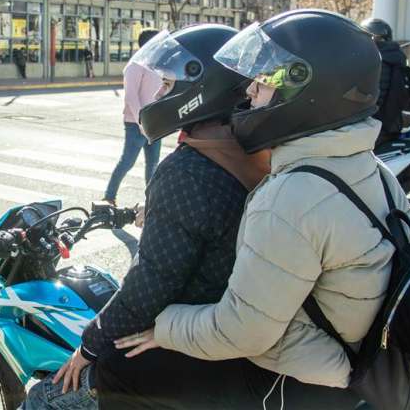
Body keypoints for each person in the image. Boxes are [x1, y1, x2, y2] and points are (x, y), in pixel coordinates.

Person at [99, 10, 410, 409]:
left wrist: (161, 328)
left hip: (306, 382)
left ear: (308, 91)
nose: (248, 92)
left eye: (264, 83)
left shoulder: (292, 195)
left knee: (116, 372)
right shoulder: (373, 170)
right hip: (370, 361)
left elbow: (243, 333)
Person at [22, 24, 272, 410]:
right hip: (229, 341)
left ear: (202, 88)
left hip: (184, 352)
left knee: (45, 397)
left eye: (168, 85)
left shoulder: (186, 170)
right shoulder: (249, 149)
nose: (158, 95)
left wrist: (88, 346)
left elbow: (148, 287)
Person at [102, 29, 162, 204]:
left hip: (155, 122)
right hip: (136, 124)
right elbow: (131, 97)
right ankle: (109, 197)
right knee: (127, 162)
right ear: (149, 44)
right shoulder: (135, 65)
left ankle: (150, 201)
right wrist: (141, 120)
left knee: (153, 165)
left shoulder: (157, 65)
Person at [360, 17, 410, 146]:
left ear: (371, 37)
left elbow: (373, 99)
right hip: (391, 124)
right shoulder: (395, 56)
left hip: (375, 127)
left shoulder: (379, 60)